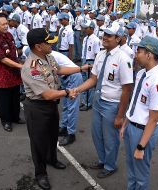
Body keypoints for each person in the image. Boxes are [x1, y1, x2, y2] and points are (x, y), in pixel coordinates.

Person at [21, 28, 89, 190]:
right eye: (48, 42)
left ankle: (52, 158)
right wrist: (67, 92)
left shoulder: (48, 56)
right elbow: (47, 94)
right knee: (38, 142)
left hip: (51, 105)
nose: (53, 44)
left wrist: (80, 68)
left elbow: (59, 70)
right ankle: (40, 173)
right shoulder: (32, 68)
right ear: (38, 46)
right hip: (37, 107)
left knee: (52, 136)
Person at [74, 22, 133, 178]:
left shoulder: (123, 59)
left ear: (118, 38)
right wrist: (77, 90)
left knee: (110, 138)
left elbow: (127, 89)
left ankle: (110, 165)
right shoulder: (100, 55)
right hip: (98, 100)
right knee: (96, 134)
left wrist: (120, 116)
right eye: (104, 34)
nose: (104, 37)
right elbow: (93, 79)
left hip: (112, 105)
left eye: (109, 35)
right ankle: (102, 159)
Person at [120, 35, 158, 190]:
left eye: (139, 51)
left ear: (149, 55)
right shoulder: (141, 74)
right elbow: (135, 103)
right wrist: (125, 124)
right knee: (131, 169)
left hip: (143, 132)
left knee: (141, 174)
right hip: (132, 127)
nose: (136, 54)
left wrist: (141, 146)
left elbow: (153, 119)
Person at [0, 13, 24, 132]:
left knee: (15, 97)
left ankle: (15, 117)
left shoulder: (8, 35)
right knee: (4, 100)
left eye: (7, 23)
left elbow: (13, 53)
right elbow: (2, 59)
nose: (6, 26)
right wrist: (20, 66)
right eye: (3, 24)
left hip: (13, 73)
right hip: (1, 75)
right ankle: (6, 121)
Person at [51, 50, 84, 146]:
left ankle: (71, 133)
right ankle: (63, 127)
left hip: (73, 76)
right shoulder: (44, 55)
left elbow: (54, 73)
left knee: (72, 107)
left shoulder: (49, 56)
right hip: (66, 77)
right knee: (66, 105)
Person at [79, 19, 100, 111]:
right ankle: (84, 101)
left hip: (90, 62)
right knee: (83, 82)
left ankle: (89, 103)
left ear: (91, 28)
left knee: (89, 84)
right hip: (84, 61)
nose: (84, 29)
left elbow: (96, 54)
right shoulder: (85, 38)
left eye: (86, 28)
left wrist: (95, 66)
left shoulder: (95, 39)